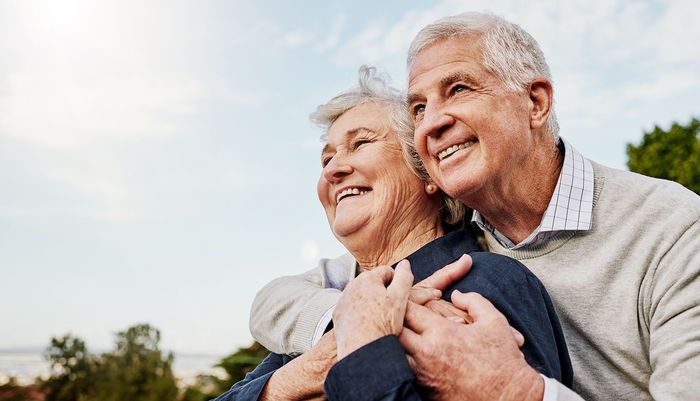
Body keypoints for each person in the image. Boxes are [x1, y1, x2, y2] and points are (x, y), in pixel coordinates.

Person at [251, 11, 700, 401]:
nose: (433, 123)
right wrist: (348, 324)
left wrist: (517, 392)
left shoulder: (673, 228)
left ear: (535, 102)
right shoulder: (441, 254)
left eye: (459, 89)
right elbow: (275, 300)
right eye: (419, 107)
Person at [214, 66, 572, 401]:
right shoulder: (329, 314)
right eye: (326, 160)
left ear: (429, 174)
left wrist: (362, 350)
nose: (334, 169)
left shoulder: (486, 283)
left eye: (361, 143)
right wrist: (304, 372)